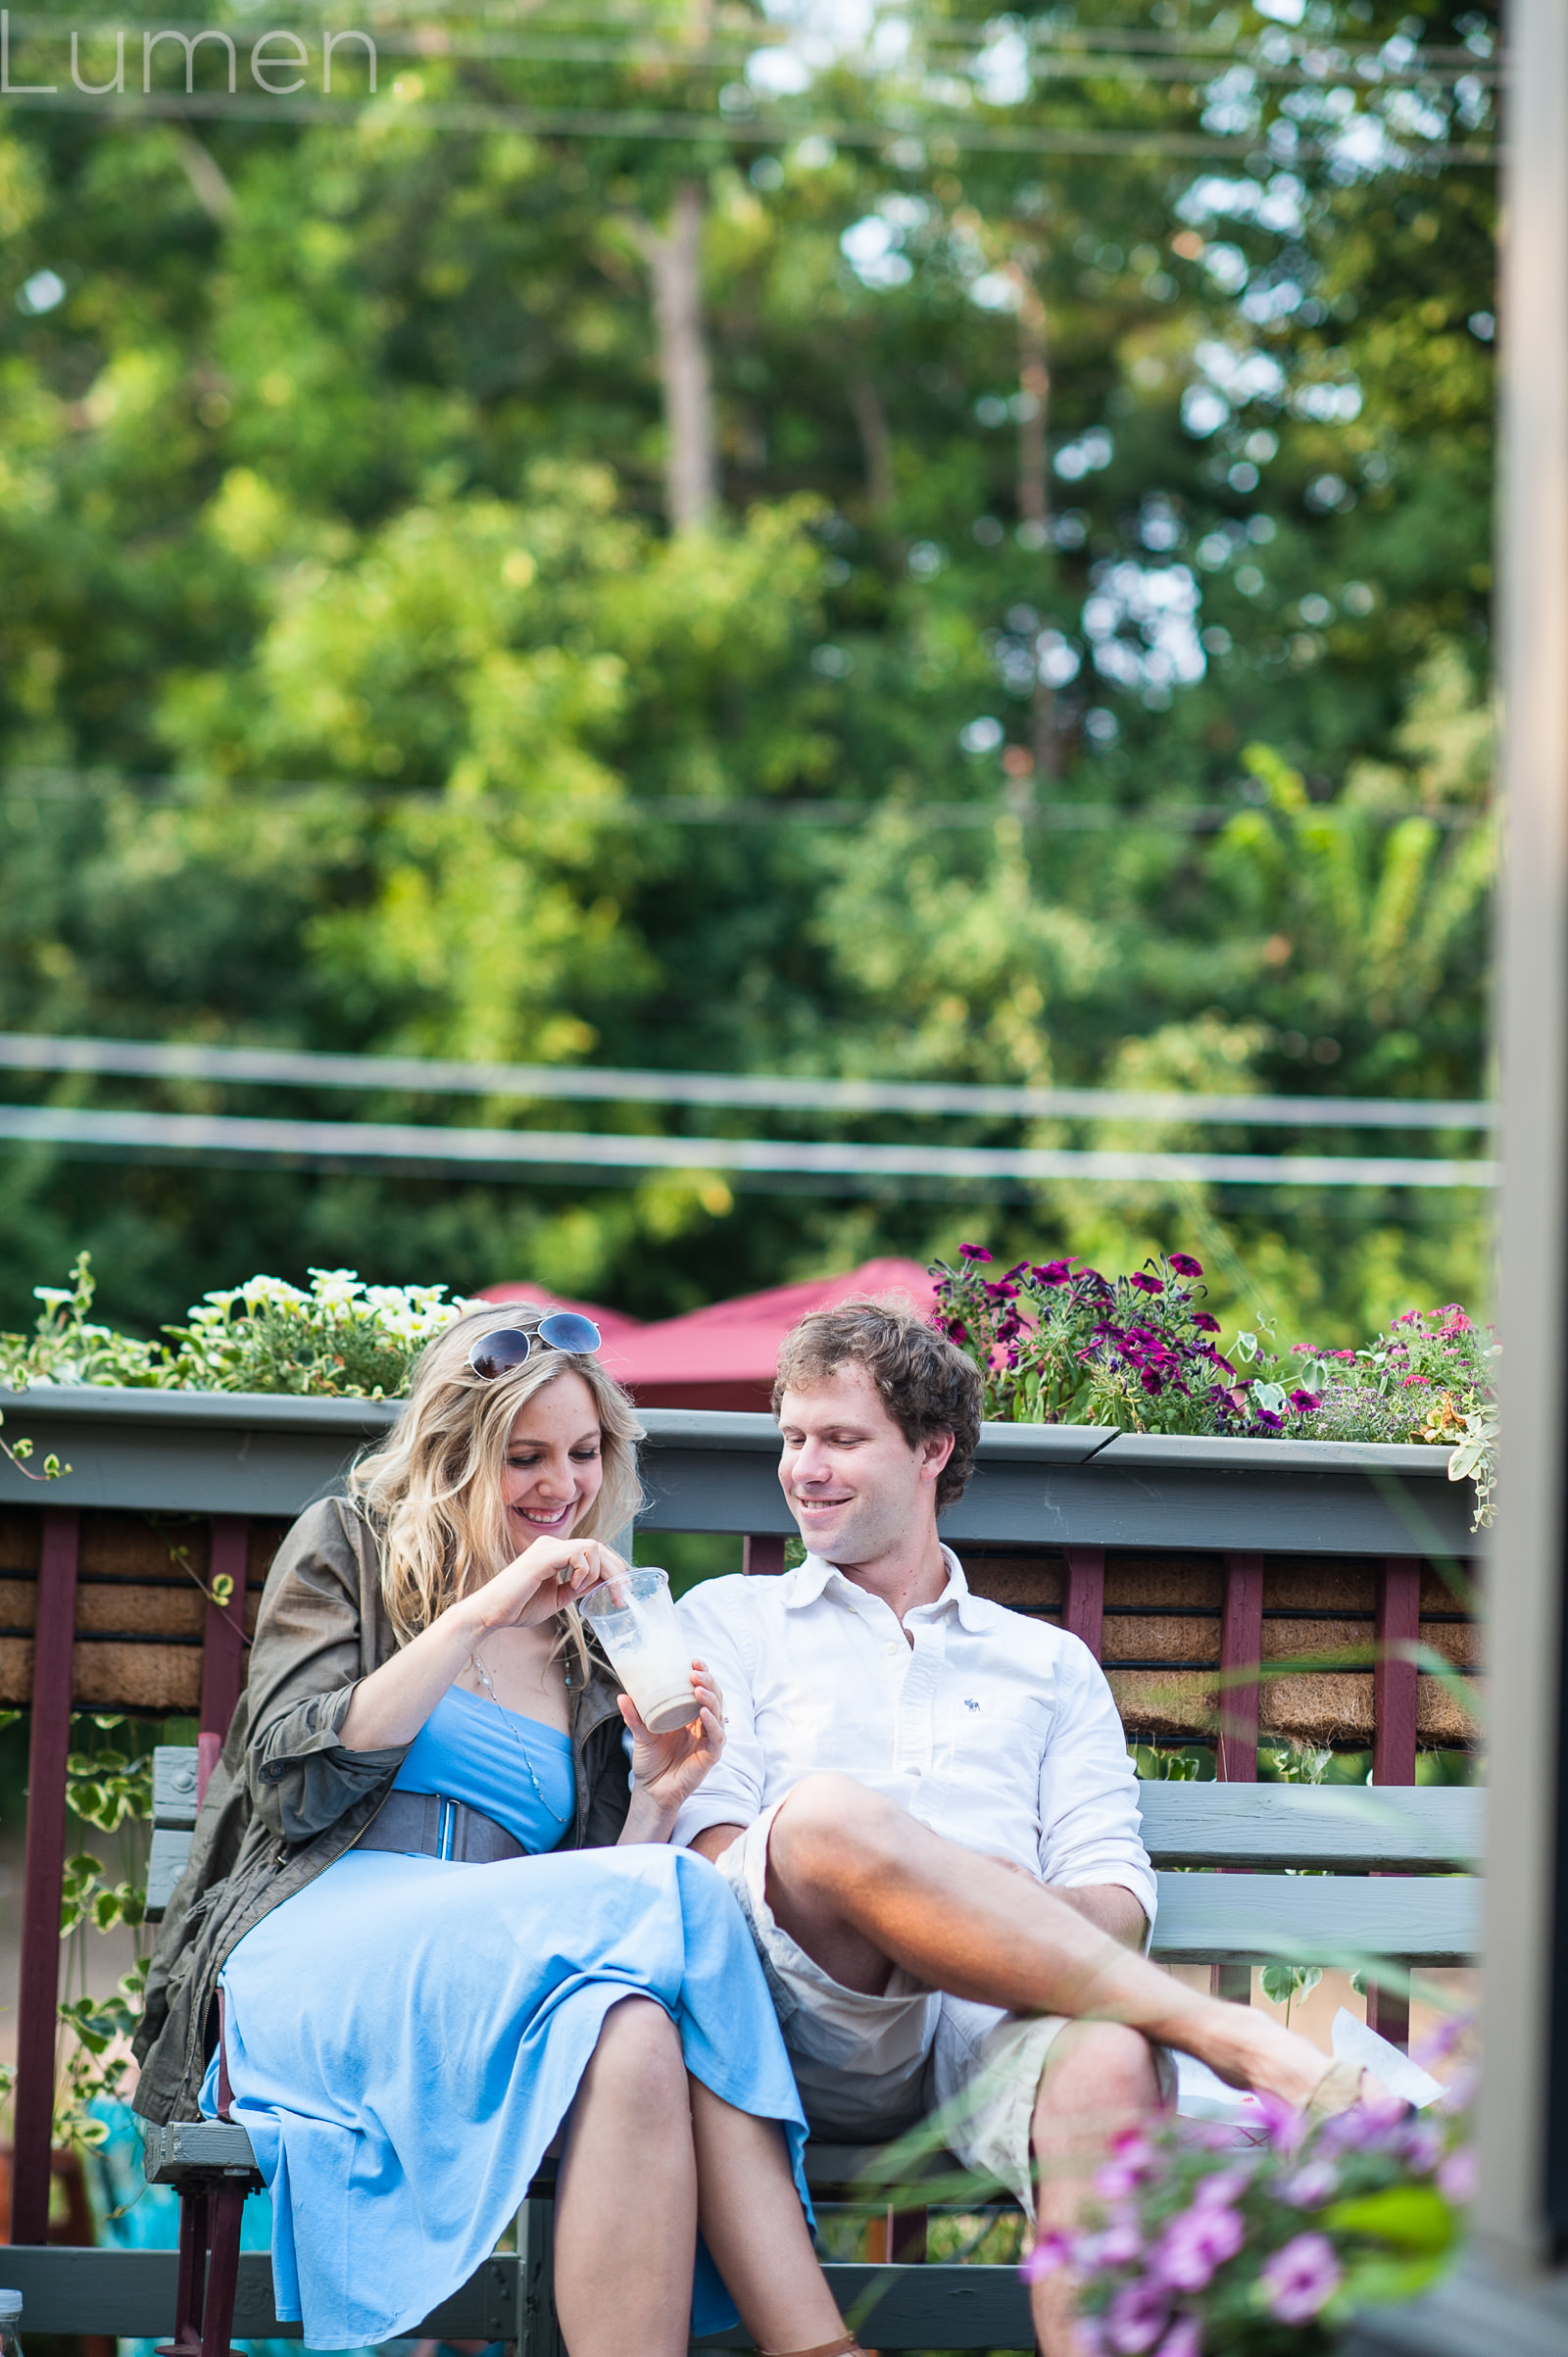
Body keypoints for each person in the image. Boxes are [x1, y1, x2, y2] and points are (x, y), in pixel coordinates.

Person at [132, 1303, 860, 2357]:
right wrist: (475, 1611)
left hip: (479, 1987)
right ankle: (814, 2340)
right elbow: (291, 1781)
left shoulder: (587, 1638)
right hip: (316, 1950)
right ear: (454, 1452)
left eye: (581, 1452)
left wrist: (658, 1794)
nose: (560, 1486)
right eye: (523, 1456)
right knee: (689, 1892)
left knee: (634, 2030)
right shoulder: (348, 1545)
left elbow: (576, 1902)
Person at [672, 1300, 1358, 2357]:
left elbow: (1114, 1900)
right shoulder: (730, 1618)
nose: (803, 1467)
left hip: (995, 2023)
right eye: (792, 1438)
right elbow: (718, 1854)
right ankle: (1237, 2042)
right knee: (829, 1819)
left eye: (840, 1438)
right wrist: (902, 1874)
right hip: (799, 2014)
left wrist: (998, 1900)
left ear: (932, 1449)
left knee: (1109, 2052)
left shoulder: (1045, 1662)